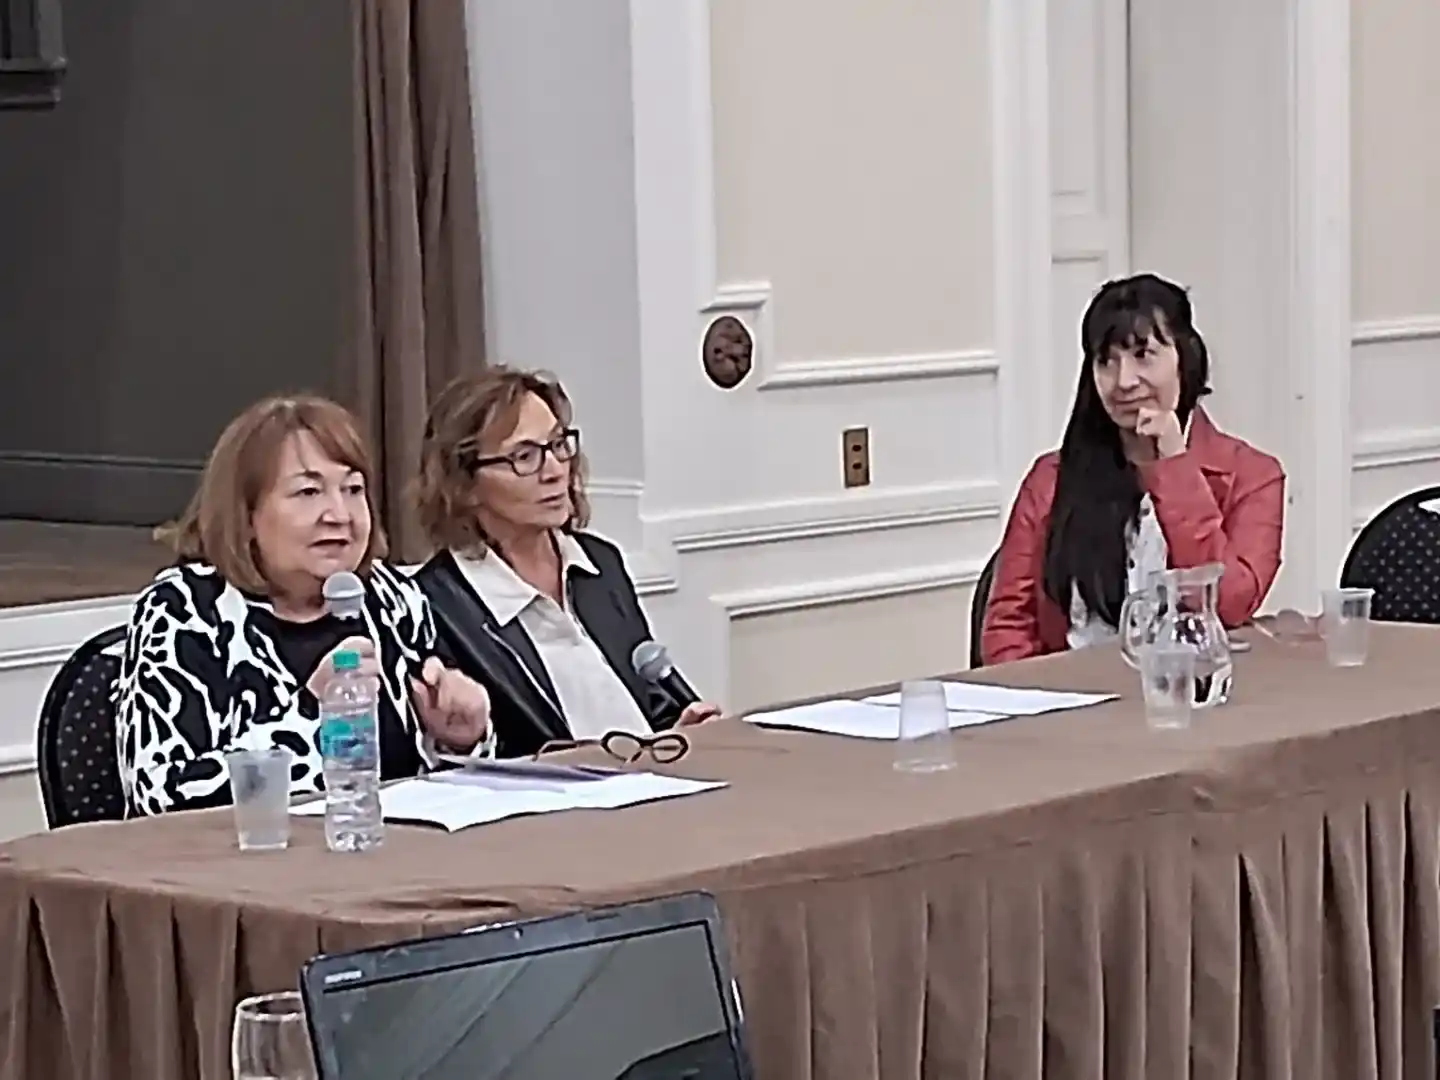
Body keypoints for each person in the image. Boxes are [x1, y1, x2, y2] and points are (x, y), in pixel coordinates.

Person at [114, 396, 494, 817]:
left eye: (353, 490)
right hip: (243, 873)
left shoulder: (390, 599)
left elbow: (424, 788)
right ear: (248, 515)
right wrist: (313, 714)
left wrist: (456, 740)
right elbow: (162, 797)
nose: (340, 514)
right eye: (309, 491)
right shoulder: (184, 612)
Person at [412, 367, 722, 758]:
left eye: (559, 445)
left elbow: (645, 703)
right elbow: (471, 753)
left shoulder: (599, 564)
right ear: (464, 485)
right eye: (524, 456)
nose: (556, 470)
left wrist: (678, 732)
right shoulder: (437, 603)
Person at [981, 273, 1286, 665]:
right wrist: (1036, 705)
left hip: (1195, 700)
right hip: (1073, 706)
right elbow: (1008, 625)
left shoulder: (1253, 477)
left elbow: (1228, 605)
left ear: (1186, 360)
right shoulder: (1051, 478)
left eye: (1144, 356)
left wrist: (1174, 463)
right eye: (1106, 361)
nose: (1123, 381)